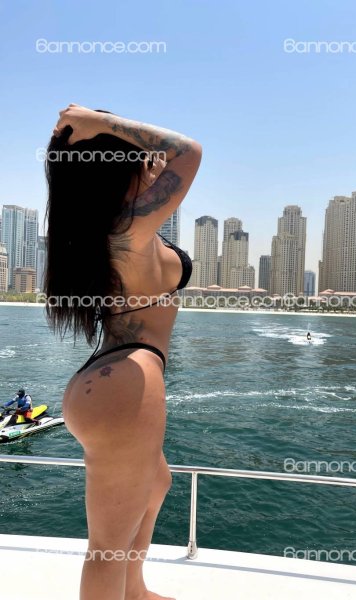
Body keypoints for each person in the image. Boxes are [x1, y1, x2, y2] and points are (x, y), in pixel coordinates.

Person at [45, 104, 202, 600]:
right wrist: (98, 123)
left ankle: (135, 590)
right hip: (126, 383)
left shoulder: (107, 228)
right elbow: (188, 151)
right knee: (106, 548)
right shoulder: (124, 228)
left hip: (116, 377)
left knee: (158, 484)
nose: (153, 162)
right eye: (139, 157)